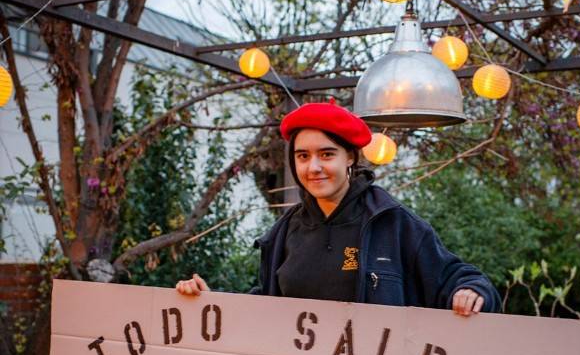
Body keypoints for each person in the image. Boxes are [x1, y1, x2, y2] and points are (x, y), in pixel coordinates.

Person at [177, 99, 498, 314]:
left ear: (350, 159)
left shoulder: (392, 222)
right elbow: (267, 307)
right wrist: (213, 300)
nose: (313, 166)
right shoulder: (284, 232)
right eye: (303, 156)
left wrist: (472, 290)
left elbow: (456, 277)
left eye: (327, 154)